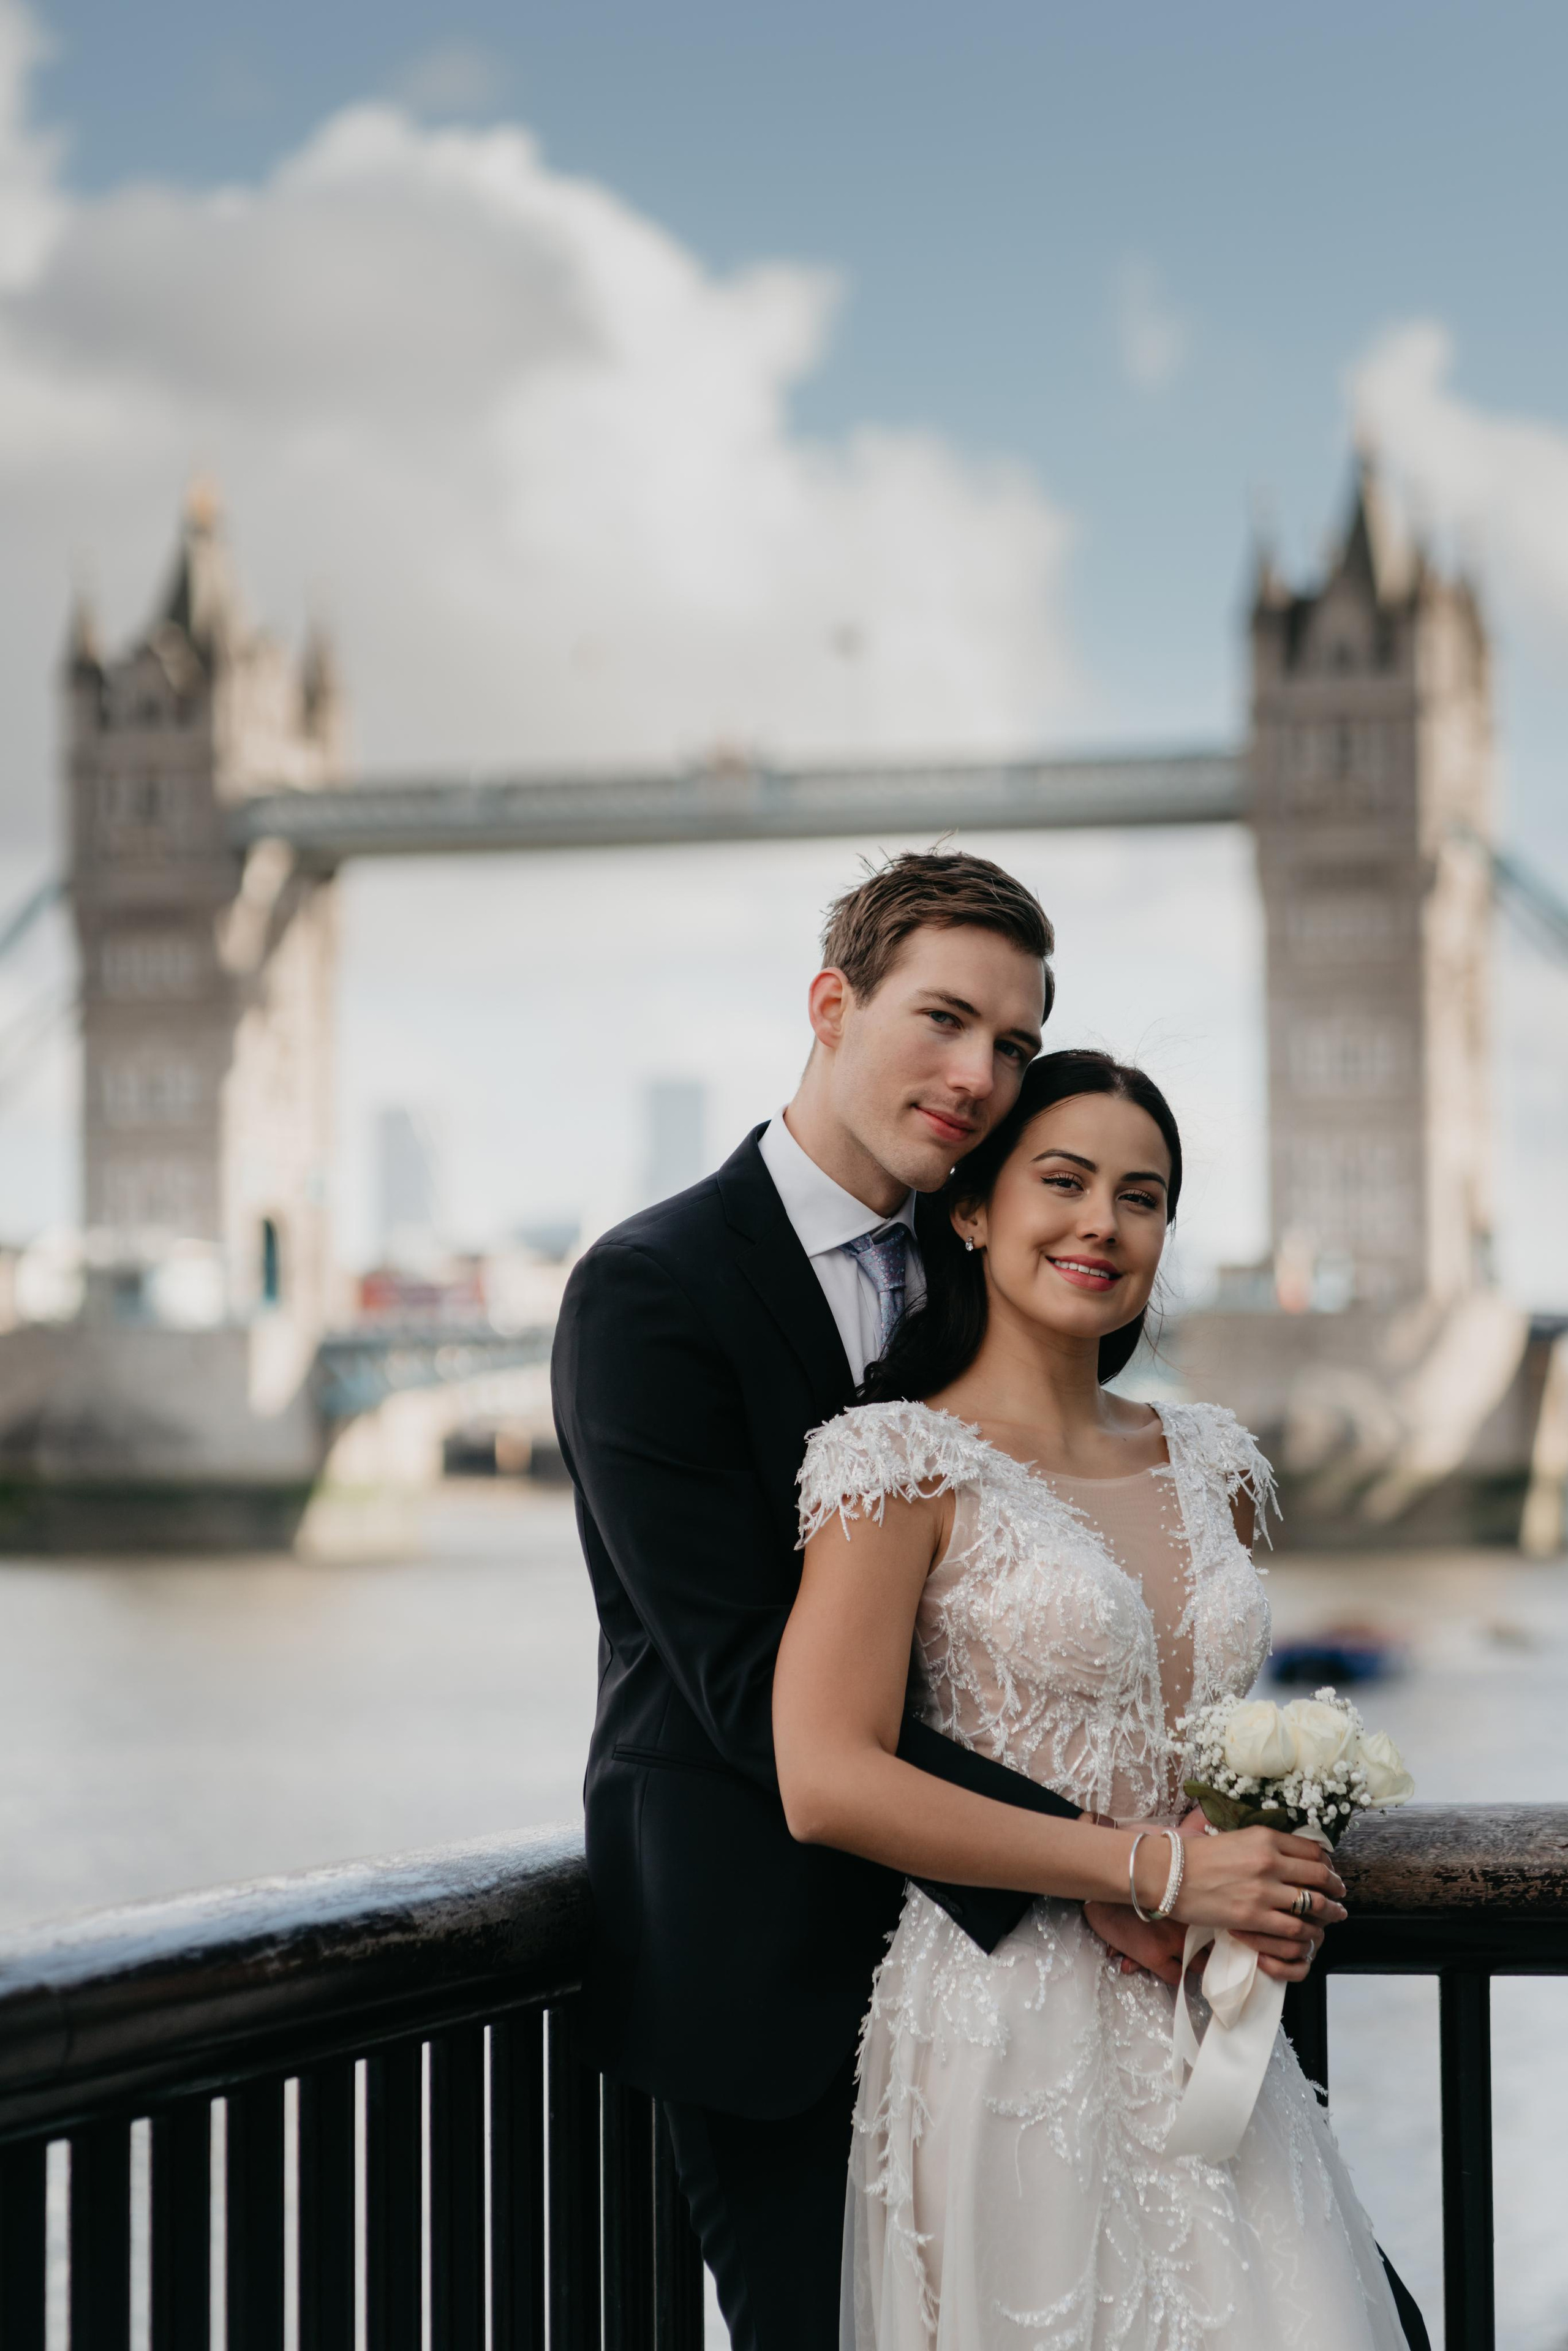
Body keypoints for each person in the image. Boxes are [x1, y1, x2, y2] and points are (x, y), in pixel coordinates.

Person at [554, 851, 1173, 2351]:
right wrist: (1107, 1856)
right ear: (830, 1004)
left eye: (1012, 1043)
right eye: (943, 1019)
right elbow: (743, 1676)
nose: (978, 1075)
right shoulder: (650, 1289)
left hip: (1023, 1997)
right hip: (770, 1971)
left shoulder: (990, 1270)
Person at [773, 1048, 1420, 2349]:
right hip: (1004, 2021)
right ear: (969, 1208)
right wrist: (1157, 1874)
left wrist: (1257, 1867)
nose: (1100, 1223)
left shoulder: (1212, 1458)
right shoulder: (892, 1458)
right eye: (1060, 1180)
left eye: (1141, 1195)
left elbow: (1201, 1740)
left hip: (1210, 2016)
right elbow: (824, 1775)